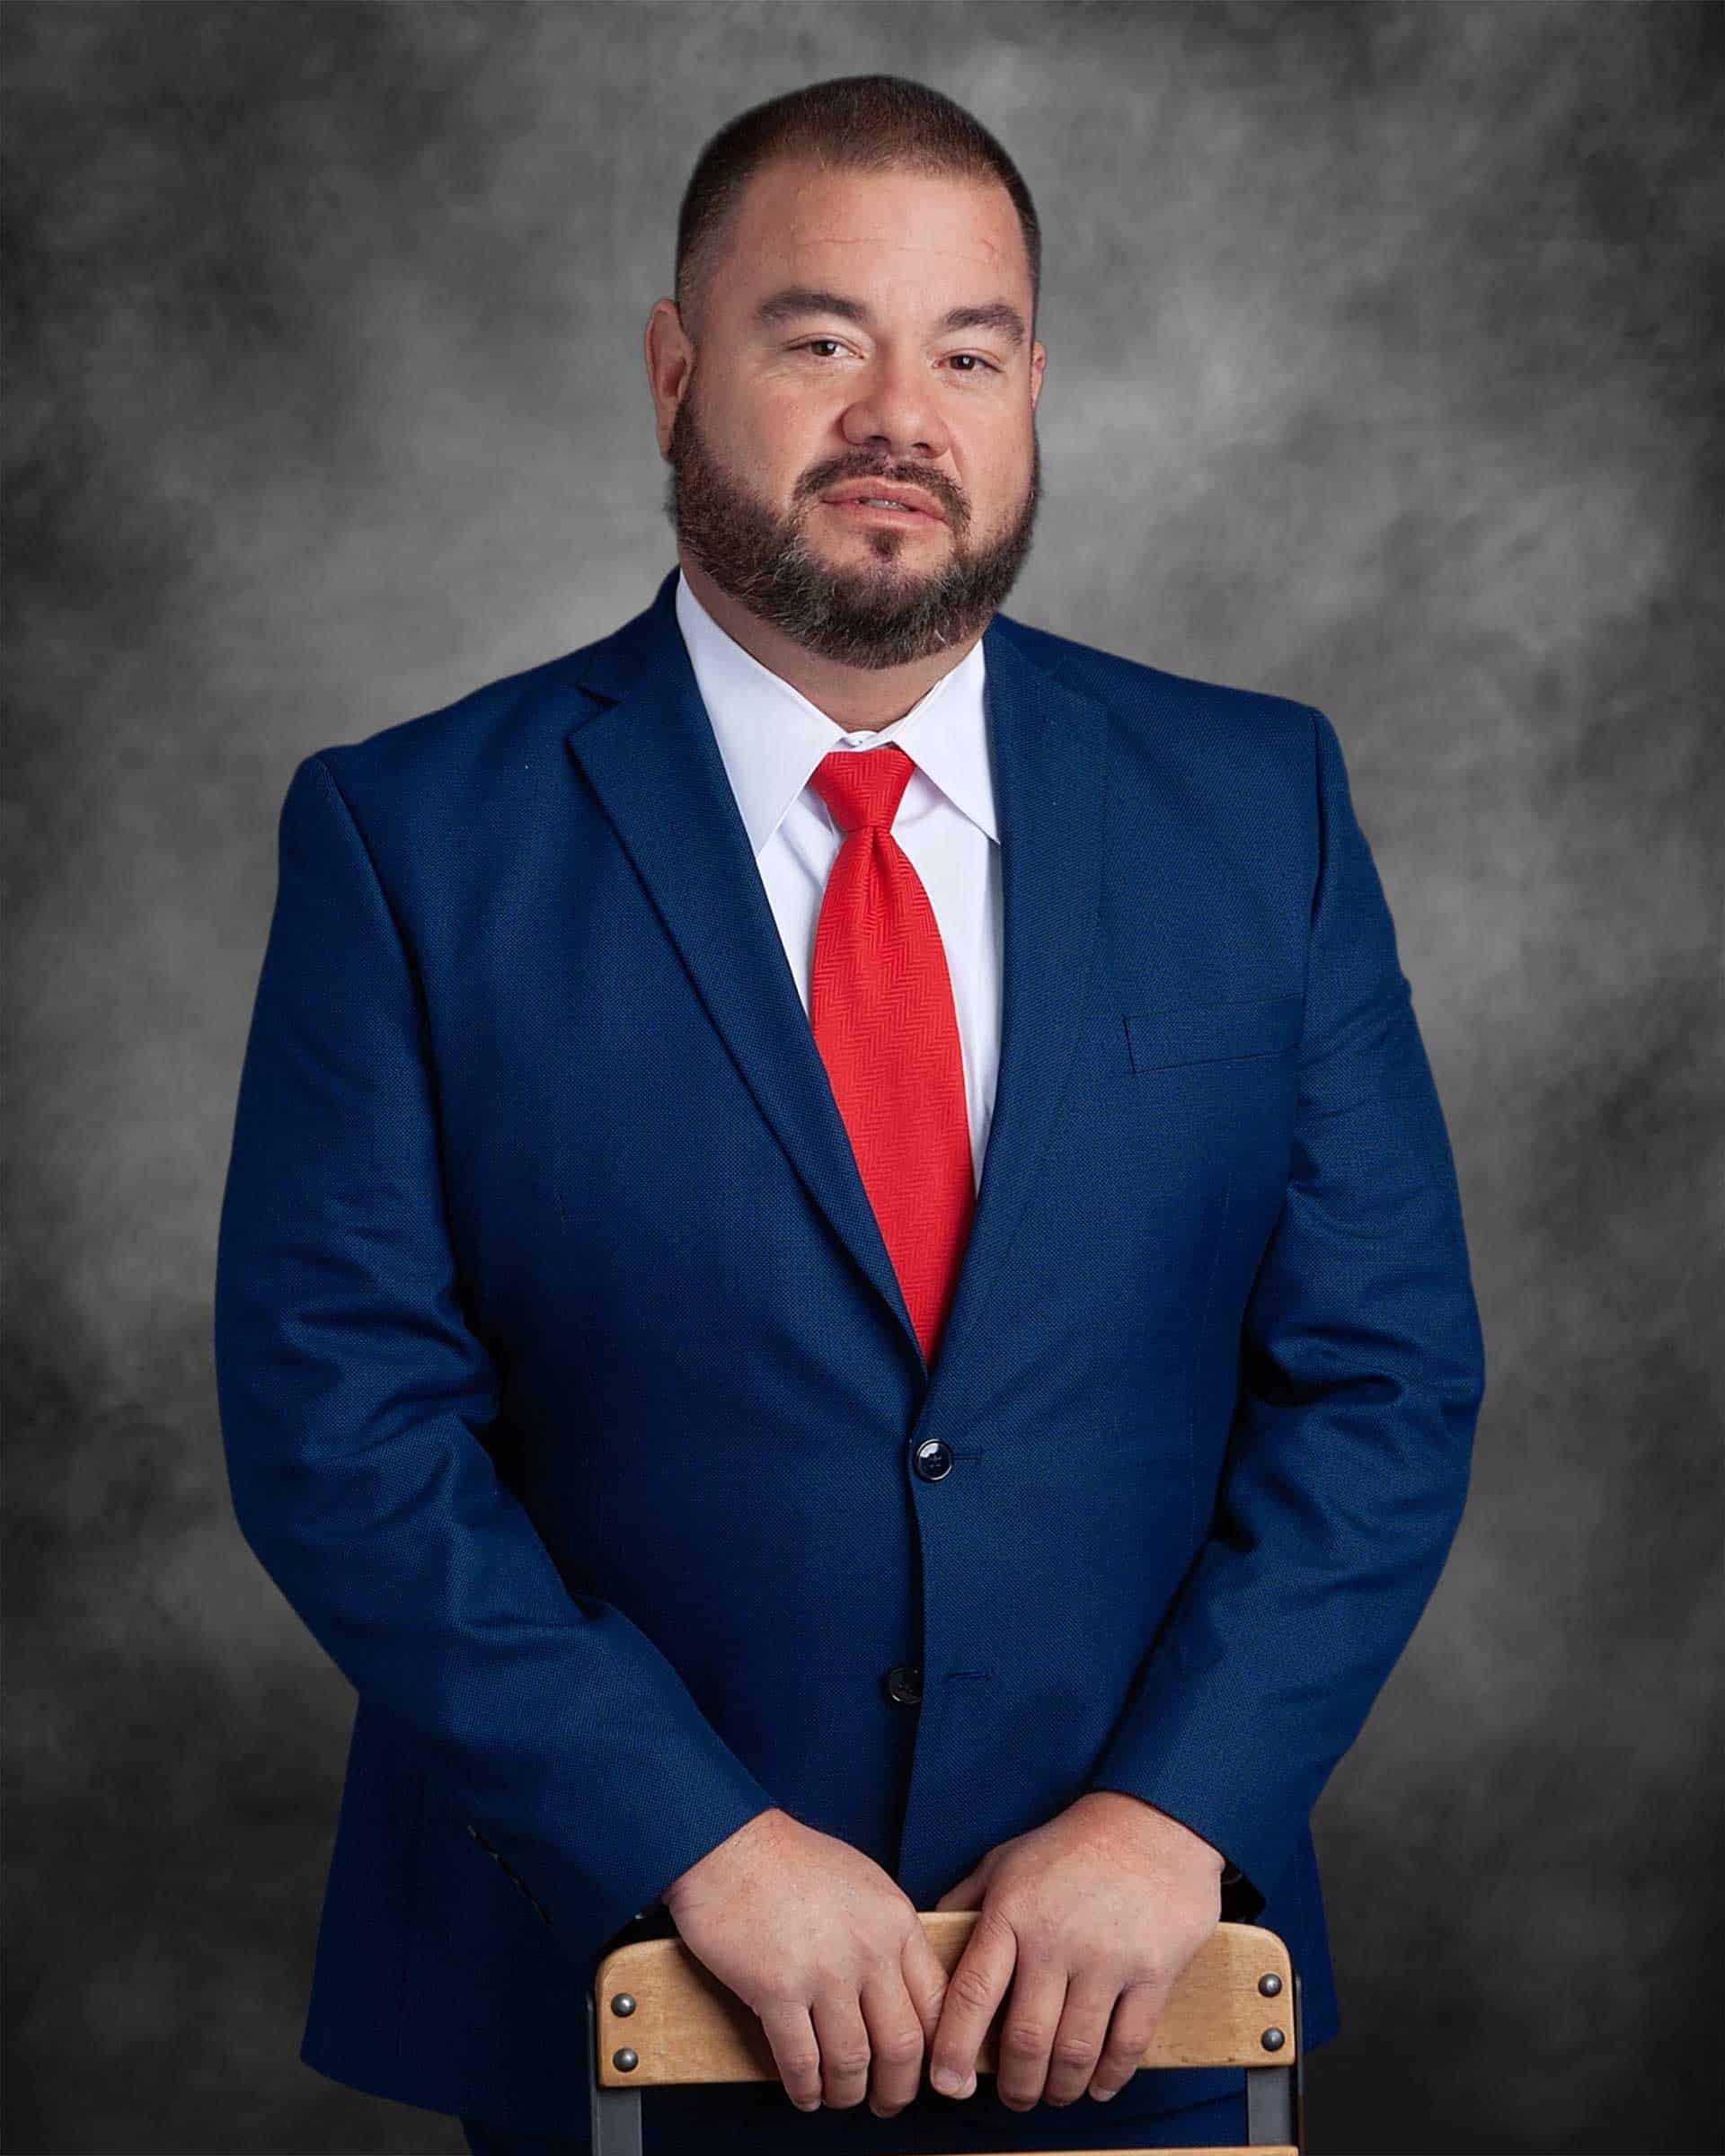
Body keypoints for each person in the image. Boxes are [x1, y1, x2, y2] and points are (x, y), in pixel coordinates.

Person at [213, 72, 1486, 2156]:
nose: (902, 412)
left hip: (1133, 1986)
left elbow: (1385, 1374)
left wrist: (1174, 1816)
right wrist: (689, 1839)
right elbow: (339, 1428)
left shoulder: (1263, 808)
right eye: (822, 340)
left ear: (1033, 392)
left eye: (966, 352)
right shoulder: (410, 838)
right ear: (673, 371)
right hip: (617, 1985)